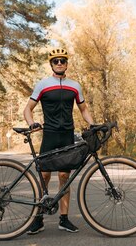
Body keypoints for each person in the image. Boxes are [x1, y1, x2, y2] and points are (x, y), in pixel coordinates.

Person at [23, 47, 95, 234]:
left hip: (67, 135)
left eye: (63, 60)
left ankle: (64, 219)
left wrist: (93, 125)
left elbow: (83, 109)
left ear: (67, 63)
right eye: (56, 61)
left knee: (64, 177)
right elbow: (27, 109)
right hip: (50, 135)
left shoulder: (75, 86)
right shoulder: (43, 84)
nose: (60, 63)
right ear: (51, 64)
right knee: (44, 176)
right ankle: (38, 219)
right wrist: (31, 124)